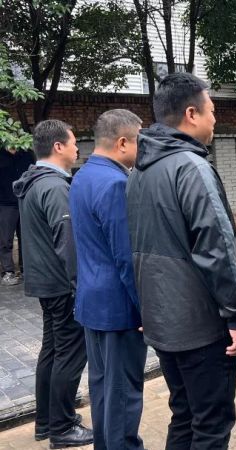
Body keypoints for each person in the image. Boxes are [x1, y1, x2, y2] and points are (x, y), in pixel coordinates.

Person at [126, 72, 236, 449]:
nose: (215, 119)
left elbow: (136, 247)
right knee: (212, 423)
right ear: (192, 114)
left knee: (184, 413)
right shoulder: (191, 168)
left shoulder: (139, 172)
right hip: (200, 326)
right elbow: (217, 246)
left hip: (162, 323)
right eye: (212, 110)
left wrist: (145, 311)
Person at [69, 109, 146, 449]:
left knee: (103, 388)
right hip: (118, 308)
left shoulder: (82, 175)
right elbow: (125, 256)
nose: (142, 149)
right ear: (122, 142)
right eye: (140, 141)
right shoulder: (117, 183)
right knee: (123, 395)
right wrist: (145, 309)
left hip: (92, 302)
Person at [13, 119, 92, 448]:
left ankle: (46, 421)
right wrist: (80, 286)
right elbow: (67, 241)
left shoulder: (33, 182)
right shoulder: (55, 187)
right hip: (62, 285)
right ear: (58, 146)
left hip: (45, 282)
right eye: (73, 143)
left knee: (53, 350)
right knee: (70, 354)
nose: (77, 149)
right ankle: (62, 428)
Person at [0, 143, 35, 285]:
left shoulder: (27, 154)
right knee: (5, 240)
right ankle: (8, 272)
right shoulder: (1, 155)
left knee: (26, 238)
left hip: (25, 200)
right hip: (5, 203)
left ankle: (26, 269)